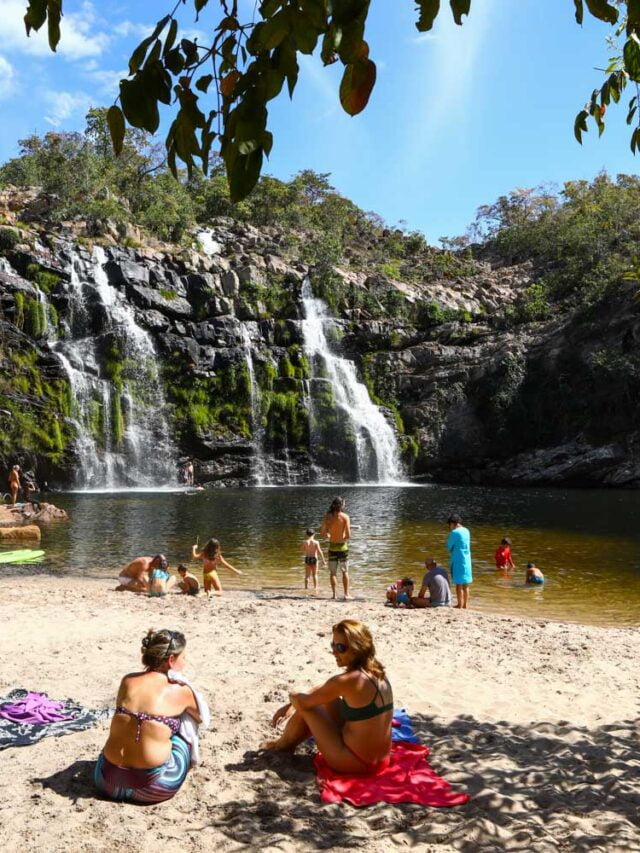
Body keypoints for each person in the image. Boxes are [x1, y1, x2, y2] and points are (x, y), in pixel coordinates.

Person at [264, 619, 393, 773]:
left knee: (309, 708)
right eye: (333, 645)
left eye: (341, 647)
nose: (334, 652)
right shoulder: (377, 673)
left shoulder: (345, 681)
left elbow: (304, 702)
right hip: (382, 761)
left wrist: (292, 698)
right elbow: (324, 691)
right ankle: (283, 743)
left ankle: (282, 746)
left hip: (355, 763)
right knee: (324, 699)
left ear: (357, 648)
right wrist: (291, 705)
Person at [94, 629, 201, 803]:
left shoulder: (127, 681)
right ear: (171, 660)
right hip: (154, 788)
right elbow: (200, 717)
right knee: (184, 725)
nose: (186, 661)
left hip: (105, 782)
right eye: (183, 657)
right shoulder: (180, 690)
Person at [320, 496, 352, 600]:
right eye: (344, 504)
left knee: (333, 573)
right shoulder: (345, 517)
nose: (345, 505)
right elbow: (348, 535)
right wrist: (342, 537)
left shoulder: (327, 516)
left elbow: (323, 533)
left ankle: (334, 595)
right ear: (341, 505)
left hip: (332, 547)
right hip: (342, 548)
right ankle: (346, 594)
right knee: (345, 571)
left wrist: (329, 535)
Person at [446, 514, 473, 609]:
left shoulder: (454, 533)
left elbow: (449, 546)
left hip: (458, 559)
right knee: (466, 584)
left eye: (449, 525)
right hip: (467, 559)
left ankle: (459, 605)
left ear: (453, 524)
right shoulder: (467, 530)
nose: (449, 528)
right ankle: (465, 605)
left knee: (458, 584)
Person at [301, 528, 326, 593]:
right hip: (314, 559)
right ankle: (315, 588)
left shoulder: (305, 542)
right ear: (314, 534)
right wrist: (323, 560)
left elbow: (302, 550)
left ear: (306, 534)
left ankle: (306, 588)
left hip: (307, 558)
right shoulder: (316, 542)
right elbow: (320, 551)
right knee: (315, 574)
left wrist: (306, 551)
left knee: (307, 575)